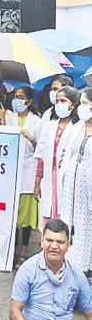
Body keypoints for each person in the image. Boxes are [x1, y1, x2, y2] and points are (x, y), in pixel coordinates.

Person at [10, 219, 92, 320]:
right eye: (49, 240)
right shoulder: (27, 270)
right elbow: (14, 311)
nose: (54, 246)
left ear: (68, 245)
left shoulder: (77, 275)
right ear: (42, 242)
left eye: (60, 242)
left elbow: (90, 313)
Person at [34, 86, 79, 228]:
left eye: (63, 101)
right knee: (48, 212)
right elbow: (41, 155)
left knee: (63, 214)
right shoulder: (50, 126)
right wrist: (37, 182)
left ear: (72, 104)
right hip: (48, 177)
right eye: (57, 101)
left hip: (67, 179)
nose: (59, 104)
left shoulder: (77, 128)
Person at [9, 86, 42, 269]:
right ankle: (12, 252)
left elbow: (42, 148)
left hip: (28, 171)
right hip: (12, 171)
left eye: (20, 97)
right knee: (12, 216)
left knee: (26, 218)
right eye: (15, 96)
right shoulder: (10, 118)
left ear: (29, 101)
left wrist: (31, 138)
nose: (17, 99)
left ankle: (23, 252)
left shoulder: (36, 121)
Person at [60, 88, 92, 274]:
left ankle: (84, 269)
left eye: (85, 104)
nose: (81, 108)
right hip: (71, 188)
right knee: (68, 225)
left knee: (85, 228)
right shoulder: (77, 127)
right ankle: (67, 265)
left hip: (87, 191)